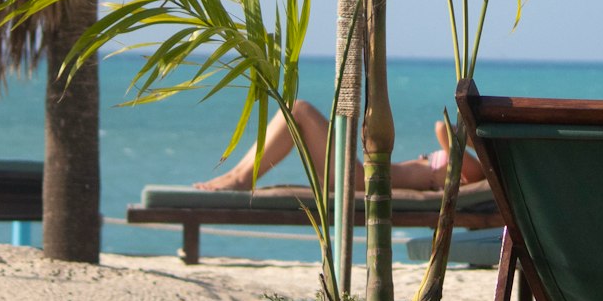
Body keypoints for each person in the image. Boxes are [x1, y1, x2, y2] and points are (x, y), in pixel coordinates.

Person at [192, 100, 484, 192]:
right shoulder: (471, 167)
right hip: (361, 176)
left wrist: (477, 136)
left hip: (360, 182)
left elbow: (443, 130)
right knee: (295, 111)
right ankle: (239, 176)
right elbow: (446, 132)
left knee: (301, 110)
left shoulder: (479, 173)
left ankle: (240, 178)